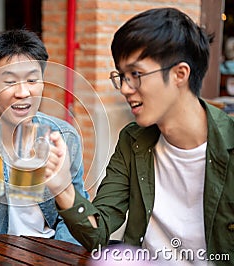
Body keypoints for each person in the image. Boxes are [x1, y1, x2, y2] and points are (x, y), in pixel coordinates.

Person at [45, 7, 234, 264]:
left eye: (136, 75)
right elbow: (98, 233)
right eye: (121, 76)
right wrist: (63, 187)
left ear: (180, 74)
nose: (124, 88)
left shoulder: (229, 143)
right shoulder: (133, 140)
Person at [0, 29, 89, 245]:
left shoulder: (63, 137)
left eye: (32, 80)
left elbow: (76, 224)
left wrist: (60, 258)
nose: (23, 92)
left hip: (48, 253)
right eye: (10, 82)